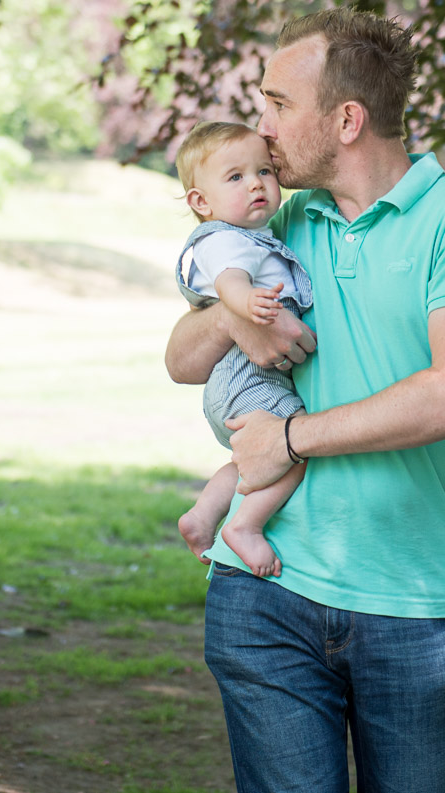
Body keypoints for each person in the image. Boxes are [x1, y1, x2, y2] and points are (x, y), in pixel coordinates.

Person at [165, 8, 445, 792]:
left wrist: (290, 439)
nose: (261, 129)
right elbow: (181, 360)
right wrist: (233, 316)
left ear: (347, 119)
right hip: (262, 593)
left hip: (407, 598)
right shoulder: (280, 218)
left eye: (278, 105)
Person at [172, 120, 314, 579]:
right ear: (201, 202)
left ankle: (201, 516)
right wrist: (246, 307)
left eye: (265, 172)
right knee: (295, 445)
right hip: (247, 378)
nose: (256, 183)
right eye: (235, 177)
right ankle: (245, 526)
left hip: (237, 385)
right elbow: (231, 279)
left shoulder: (255, 235)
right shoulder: (225, 239)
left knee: (250, 458)